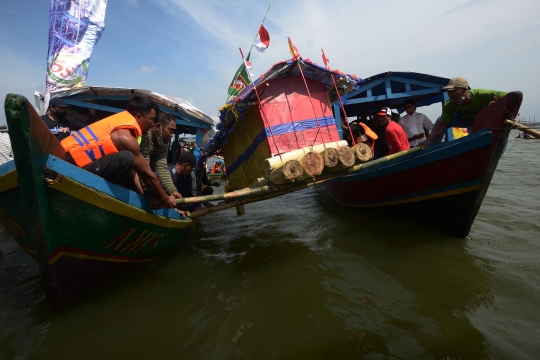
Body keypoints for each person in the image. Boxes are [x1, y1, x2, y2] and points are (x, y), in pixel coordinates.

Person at [60, 95, 176, 210]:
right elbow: (146, 174)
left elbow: (141, 170)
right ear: (139, 117)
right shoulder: (125, 136)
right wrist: (165, 198)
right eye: (151, 119)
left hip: (73, 162)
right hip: (69, 167)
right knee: (126, 158)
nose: (152, 124)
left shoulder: (123, 123)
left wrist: (153, 193)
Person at [420, 77, 507, 147]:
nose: (450, 94)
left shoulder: (483, 95)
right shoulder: (449, 105)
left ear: (464, 89)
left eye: (453, 90)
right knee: (440, 120)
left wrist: (498, 106)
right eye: (448, 91)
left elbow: (515, 97)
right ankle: (432, 147)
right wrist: (427, 140)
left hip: (484, 121)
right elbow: (442, 125)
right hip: (467, 122)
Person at [140, 112, 182, 200]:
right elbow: (143, 168)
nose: (171, 135)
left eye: (173, 132)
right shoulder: (145, 137)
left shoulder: (162, 144)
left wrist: (172, 190)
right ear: (158, 126)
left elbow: (162, 168)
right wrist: (151, 194)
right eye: (170, 130)